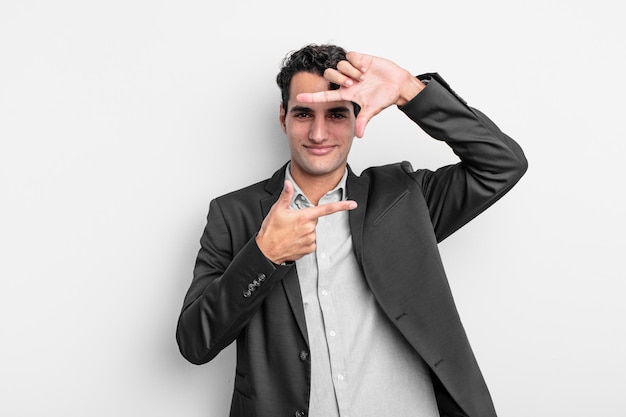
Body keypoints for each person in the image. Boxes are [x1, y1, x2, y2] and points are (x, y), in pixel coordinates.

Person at [176, 43, 527, 417]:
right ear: (283, 117)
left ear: (359, 117)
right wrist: (264, 255)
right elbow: (195, 343)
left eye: (337, 114)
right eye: (303, 113)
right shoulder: (233, 215)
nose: (318, 133)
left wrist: (410, 90)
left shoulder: (405, 197)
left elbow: (501, 164)